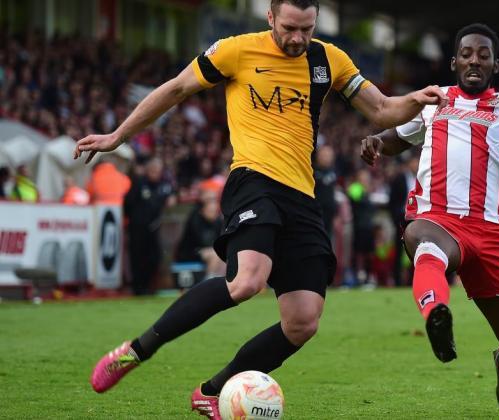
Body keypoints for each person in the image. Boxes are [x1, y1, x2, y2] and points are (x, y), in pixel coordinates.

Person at [74, 0, 447, 417]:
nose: (297, 39)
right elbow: (177, 88)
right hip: (254, 181)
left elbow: (380, 109)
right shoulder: (234, 50)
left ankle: (212, 392)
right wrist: (118, 135)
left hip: (302, 198)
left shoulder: (328, 59)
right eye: (289, 28)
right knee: (247, 281)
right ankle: (136, 351)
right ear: (270, 17)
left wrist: (416, 99)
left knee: (303, 321)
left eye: (306, 29)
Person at [360, 23, 499, 410]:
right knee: (426, 245)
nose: (473, 61)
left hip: (492, 234)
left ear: (495, 65)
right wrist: (379, 141)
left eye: (482, 55)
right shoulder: (434, 99)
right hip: (437, 218)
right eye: (466, 54)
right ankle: (436, 314)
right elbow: (401, 136)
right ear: (454, 62)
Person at [123, 157, 176, 295]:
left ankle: (149, 286)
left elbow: (170, 193)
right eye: (152, 171)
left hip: (153, 227)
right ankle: (138, 288)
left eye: (157, 171)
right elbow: (128, 203)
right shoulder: (139, 183)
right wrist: (133, 220)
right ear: (148, 170)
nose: (155, 174)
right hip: (137, 227)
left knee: (154, 257)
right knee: (137, 257)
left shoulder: (163, 185)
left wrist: (172, 197)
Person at [176, 189, 226, 279]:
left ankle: (221, 282)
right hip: (189, 253)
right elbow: (203, 242)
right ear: (203, 209)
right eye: (211, 210)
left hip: (206, 251)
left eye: (215, 211)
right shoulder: (195, 218)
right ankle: (209, 283)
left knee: (224, 255)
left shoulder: (217, 221)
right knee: (215, 254)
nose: (214, 213)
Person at [389, 154, 419, 286]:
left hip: (417, 219)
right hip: (402, 218)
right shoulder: (399, 179)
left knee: (416, 250)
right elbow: (392, 200)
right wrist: (395, 218)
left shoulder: (422, 179)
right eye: (413, 162)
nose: (416, 165)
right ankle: (397, 281)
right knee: (399, 250)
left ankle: (414, 280)